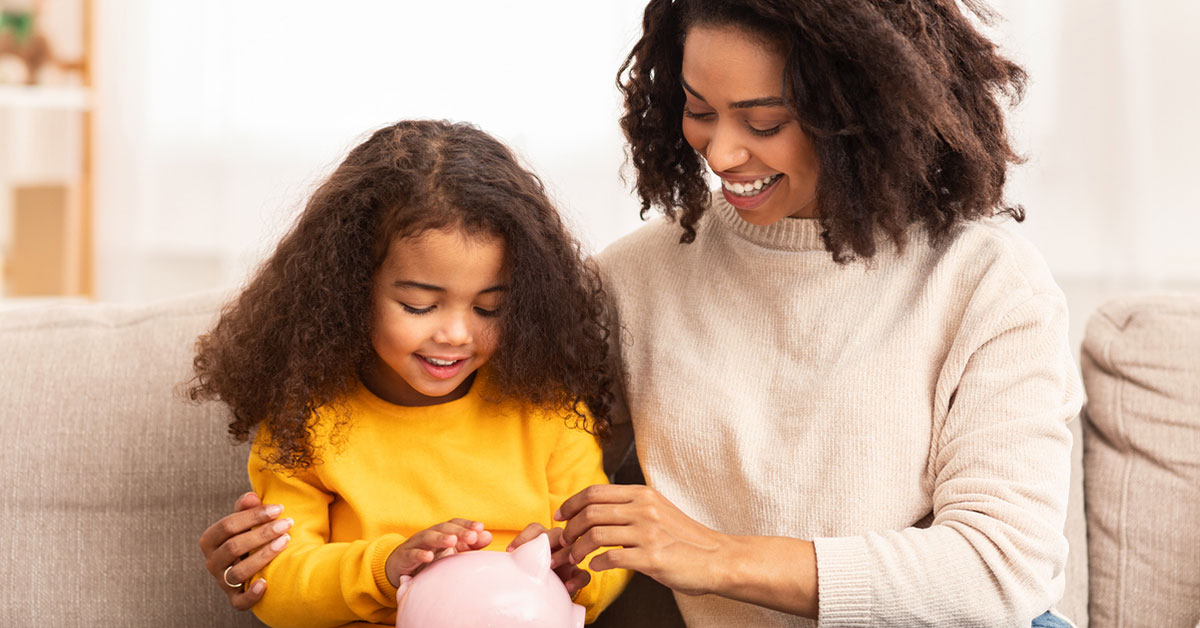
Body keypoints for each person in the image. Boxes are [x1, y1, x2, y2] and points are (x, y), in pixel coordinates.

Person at [203, 1, 1083, 626]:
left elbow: (999, 571)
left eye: (764, 120)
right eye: (700, 110)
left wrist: (713, 556)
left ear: (866, 109)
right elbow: (476, 449)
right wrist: (286, 564)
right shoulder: (634, 283)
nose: (723, 152)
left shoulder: (986, 283)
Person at [189, 119, 630, 627]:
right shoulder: (306, 420)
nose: (457, 334)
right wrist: (384, 569)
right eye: (420, 306)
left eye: (490, 309)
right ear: (350, 291)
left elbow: (605, 543)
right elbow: (275, 583)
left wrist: (578, 570)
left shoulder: (548, 410)